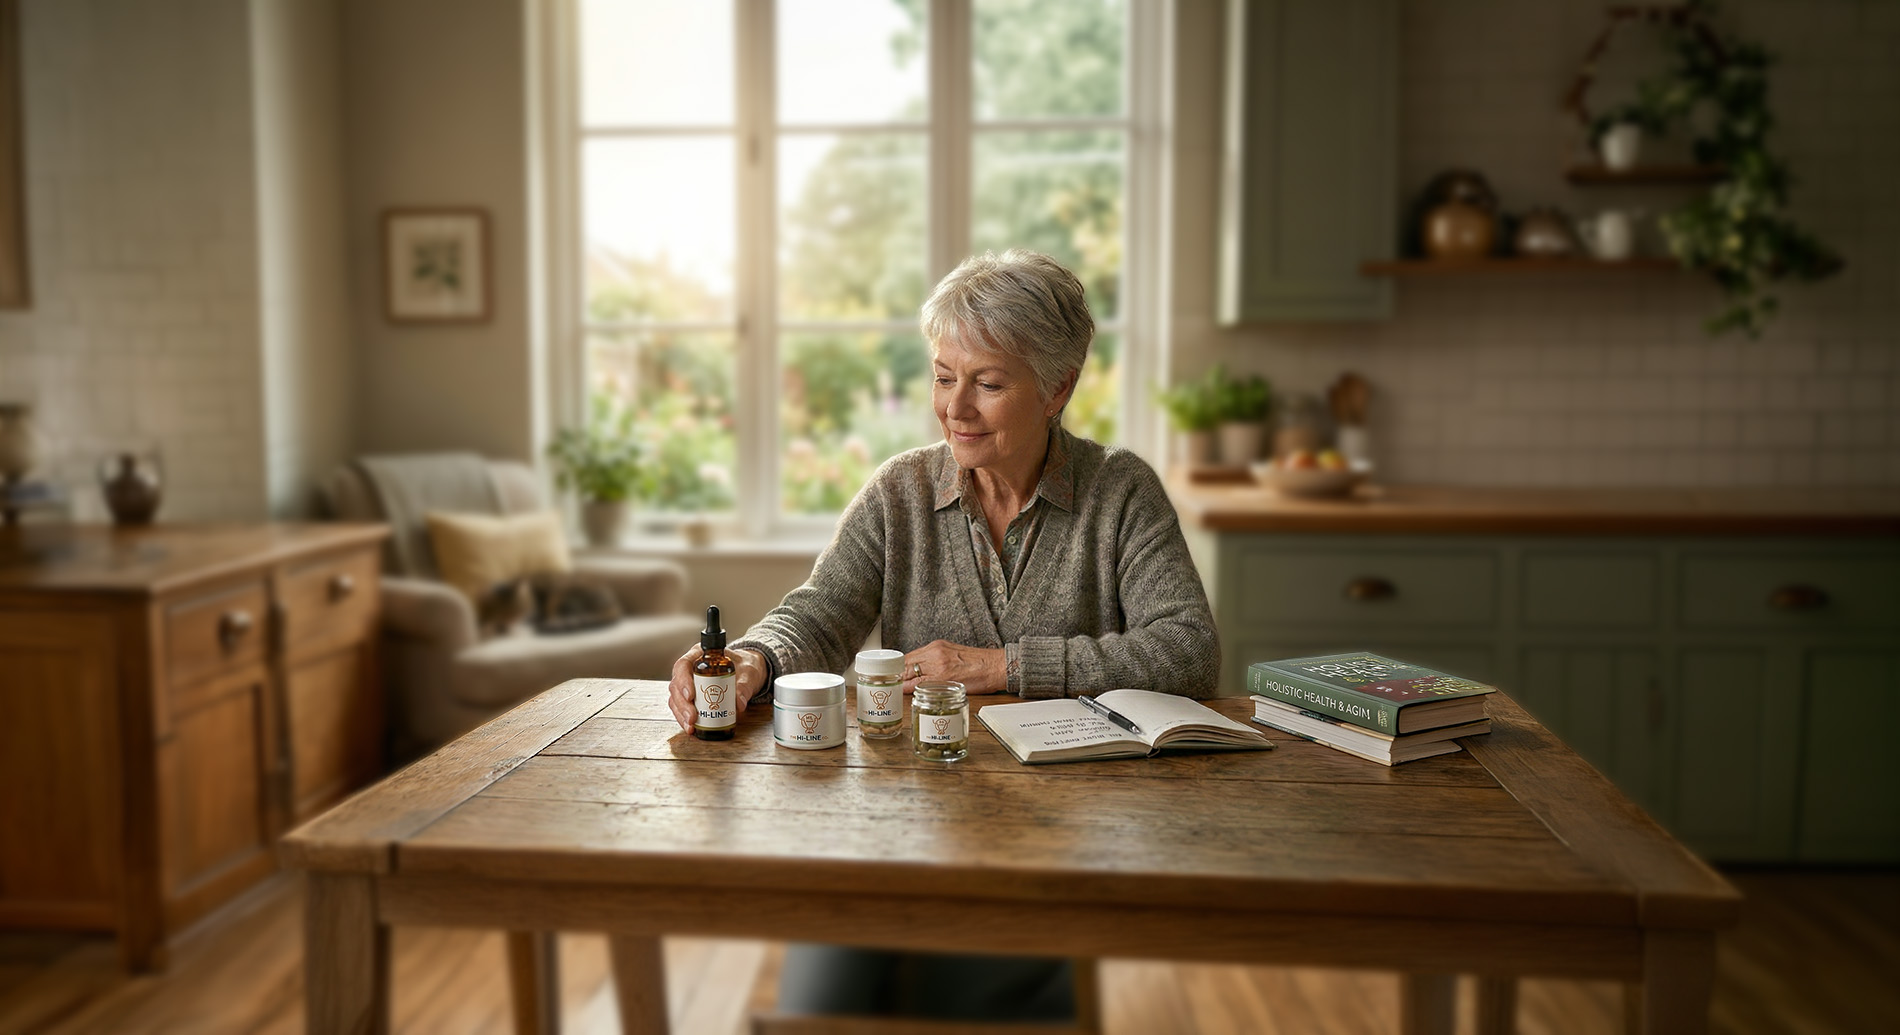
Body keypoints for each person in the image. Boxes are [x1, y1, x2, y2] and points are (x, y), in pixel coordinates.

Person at [664, 248, 1220, 1020]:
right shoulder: (898, 488)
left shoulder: (1120, 490)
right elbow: (820, 609)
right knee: (823, 1007)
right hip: (898, 821)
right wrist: (753, 657)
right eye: (942, 374)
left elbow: (1188, 648)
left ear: (1058, 387)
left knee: (966, 1001)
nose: (954, 406)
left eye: (988, 383)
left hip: (1060, 836)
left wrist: (1001, 665)